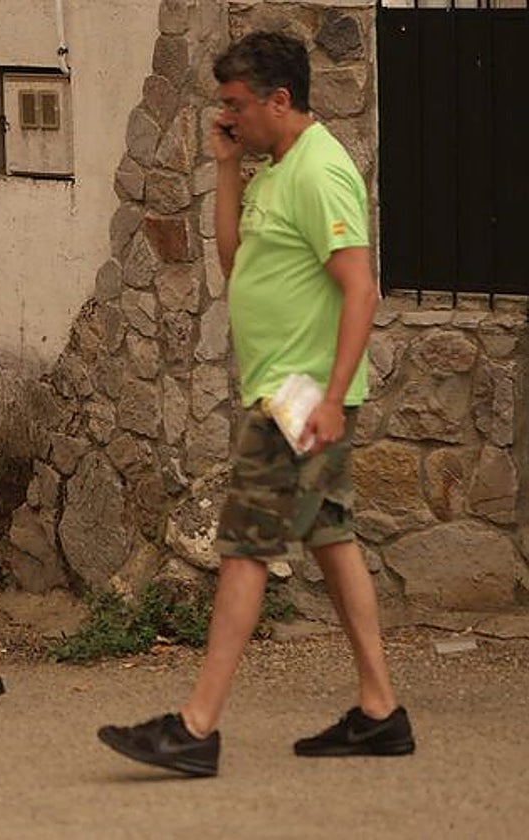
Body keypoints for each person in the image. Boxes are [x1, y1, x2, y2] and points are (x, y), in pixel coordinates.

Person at [97, 31, 414, 777]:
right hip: (283, 392)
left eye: (238, 107)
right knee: (331, 540)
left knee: (243, 548)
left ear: (281, 100)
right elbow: (236, 258)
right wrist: (229, 164)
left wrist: (332, 401)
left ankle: (196, 726)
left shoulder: (320, 171)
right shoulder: (274, 164)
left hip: (300, 401)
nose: (228, 117)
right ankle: (380, 712)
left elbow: (361, 290)